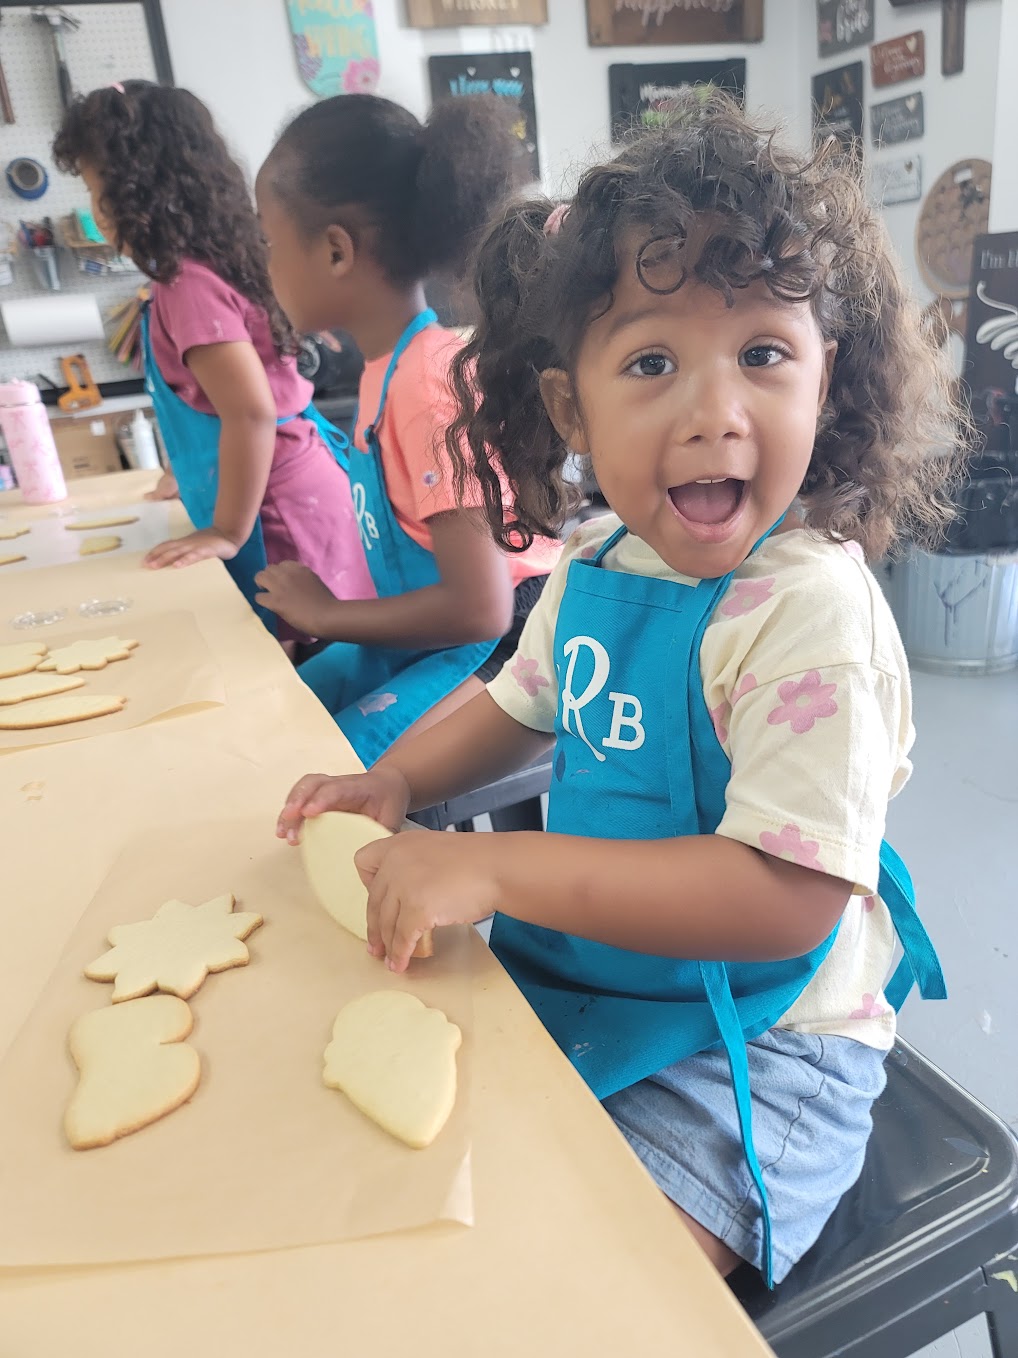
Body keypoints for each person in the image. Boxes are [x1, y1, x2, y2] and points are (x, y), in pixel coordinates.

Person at [275, 94, 968, 1286]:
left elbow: (785, 900)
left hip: (761, 1050)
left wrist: (492, 866)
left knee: (587, 1282)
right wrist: (394, 780)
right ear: (569, 408)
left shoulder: (812, 616)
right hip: (599, 980)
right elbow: (520, 704)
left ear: (822, 375)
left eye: (762, 353)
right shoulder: (599, 566)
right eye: (652, 361)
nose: (713, 412)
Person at [252, 94, 560, 763]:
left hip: (508, 642)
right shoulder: (384, 369)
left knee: (331, 769)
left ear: (335, 250)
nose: (265, 269)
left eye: (271, 244)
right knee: (276, 713)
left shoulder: (423, 384)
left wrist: (328, 616)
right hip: (447, 630)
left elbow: (481, 608)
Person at [53, 82, 373, 644]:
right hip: (293, 485)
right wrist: (184, 474)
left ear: (139, 189)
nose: (94, 210)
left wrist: (225, 529)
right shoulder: (211, 266)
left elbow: (249, 412)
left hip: (280, 509)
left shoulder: (186, 287)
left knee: (296, 656)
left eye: (95, 189)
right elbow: (203, 404)